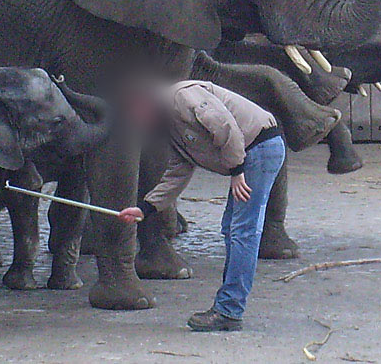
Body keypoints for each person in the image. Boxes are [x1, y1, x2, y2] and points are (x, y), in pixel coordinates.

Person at [118, 80, 285, 332]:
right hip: (251, 153)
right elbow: (178, 171)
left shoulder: (181, 97)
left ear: (144, 103)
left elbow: (223, 124)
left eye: (136, 114)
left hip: (258, 148)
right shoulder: (169, 126)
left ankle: (229, 311)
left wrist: (237, 170)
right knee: (233, 229)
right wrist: (146, 208)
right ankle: (229, 306)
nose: (137, 123)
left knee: (243, 231)